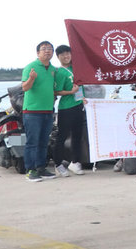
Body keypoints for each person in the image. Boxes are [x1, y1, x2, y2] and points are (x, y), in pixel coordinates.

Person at [22, 41, 58, 181]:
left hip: (48, 111)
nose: (47, 51)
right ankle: (30, 170)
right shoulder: (31, 67)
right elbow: (25, 87)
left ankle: (41, 168)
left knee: (44, 141)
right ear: (38, 53)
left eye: (50, 49)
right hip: (32, 111)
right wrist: (31, 78)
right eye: (44, 49)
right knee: (32, 142)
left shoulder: (53, 69)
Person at [52, 45, 85, 177]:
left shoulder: (75, 68)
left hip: (79, 105)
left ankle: (75, 162)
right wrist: (70, 92)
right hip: (66, 108)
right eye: (63, 55)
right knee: (62, 136)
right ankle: (58, 164)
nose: (66, 56)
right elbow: (56, 91)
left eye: (68, 53)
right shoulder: (59, 72)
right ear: (58, 57)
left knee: (78, 136)